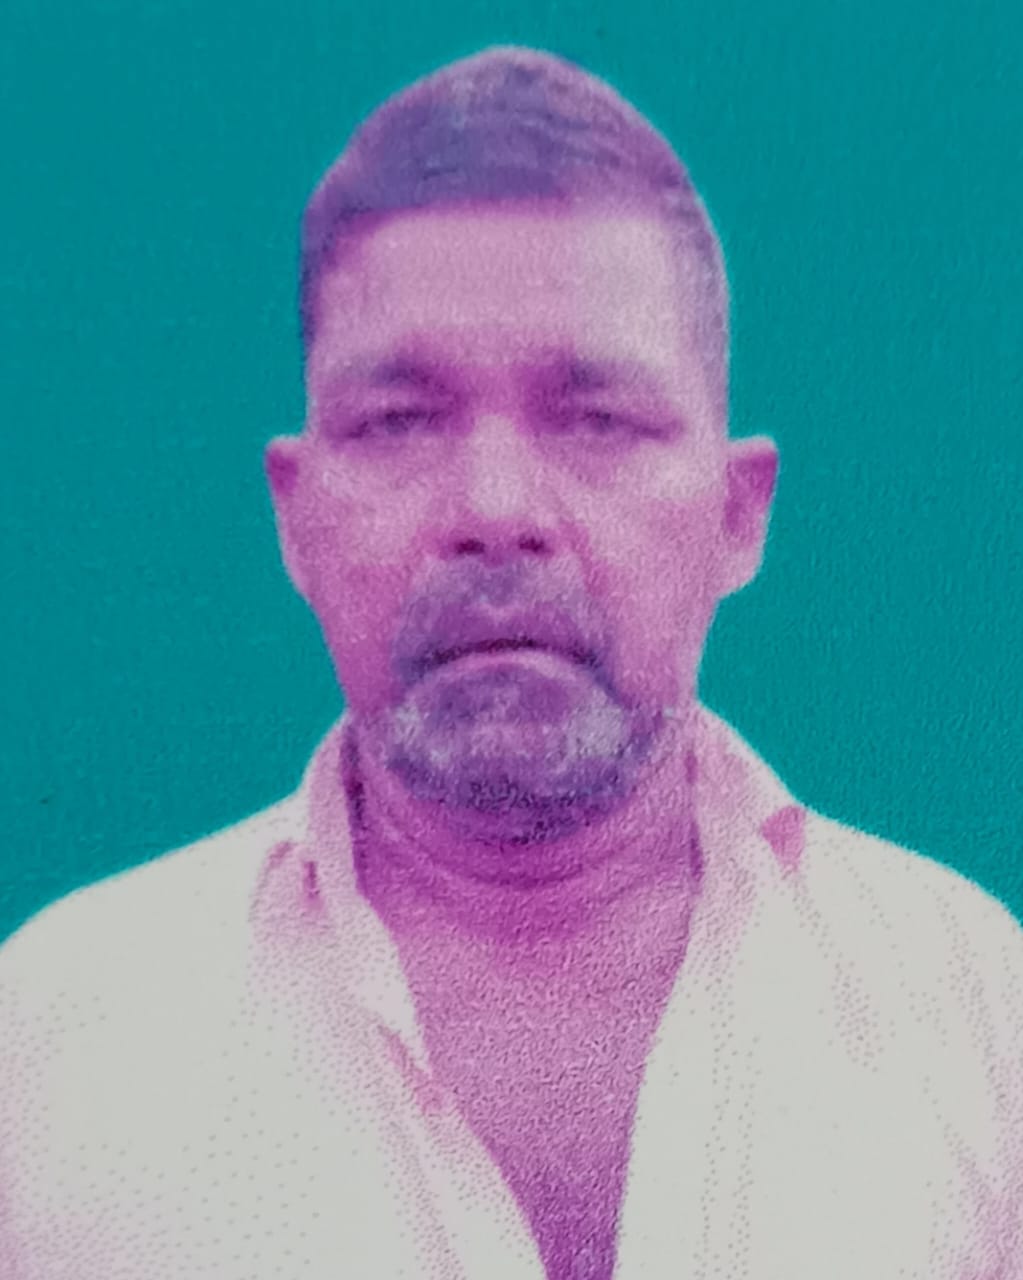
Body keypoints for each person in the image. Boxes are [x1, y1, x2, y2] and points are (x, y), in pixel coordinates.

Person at [1, 45, 1020, 1280]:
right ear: (296, 517)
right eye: (400, 420)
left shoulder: (978, 1023)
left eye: (597, 419)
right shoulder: (48, 1052)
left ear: (736, 514)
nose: (494, 507)